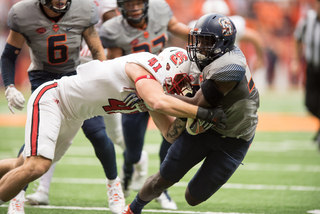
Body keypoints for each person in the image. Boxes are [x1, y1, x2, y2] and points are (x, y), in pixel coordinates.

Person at [0, 47, 225, 212]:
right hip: (53, 98)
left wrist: (191, 124)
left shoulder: (154, 90)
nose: (182, 89)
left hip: (74, 115)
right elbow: (157, 102)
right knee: (38, 166)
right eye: (181, 81)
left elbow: (169, 133)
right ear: (167, 68)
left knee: (22, 165)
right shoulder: (143, 67)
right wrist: (199, 113)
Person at [121, 13, 259, 214]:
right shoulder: (202, 60)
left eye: (207, 41)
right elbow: (178, 127)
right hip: (206, 127)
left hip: (235, 136)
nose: (200, 46)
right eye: (199, 39)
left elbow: (197, 104)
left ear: (223, 43)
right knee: (163, 178)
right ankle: (132, 210)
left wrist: (152, 95)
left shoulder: (229, 67)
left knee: (193, 197)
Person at [0, 0, 124, 213]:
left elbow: (97, 52)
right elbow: (9, 55)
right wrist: (10, 86)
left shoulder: (83, 9)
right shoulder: (23, 13)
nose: (61, 1)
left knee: (97, 133)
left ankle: (114, 188)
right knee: (36, 144)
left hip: (76, 77)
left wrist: (103, 84)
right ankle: (16, 194)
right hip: (43, 79)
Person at [99, 0, 191, 209]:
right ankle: (129, 170)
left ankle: (161, 189)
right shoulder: (113, 30)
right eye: (129, 4)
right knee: (133, 152)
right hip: (136, 93)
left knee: (172, 138)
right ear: (120, 7)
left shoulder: (160, 9)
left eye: (138, 3)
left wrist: (204, 38)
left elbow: (177, 28)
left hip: (165, 87)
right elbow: (114, 65)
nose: (134, 8)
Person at [291, 0, 320, 149]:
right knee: (310, 103)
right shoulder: (308, 19)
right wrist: (296, 59)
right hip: (313, 68)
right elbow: (297, 38)